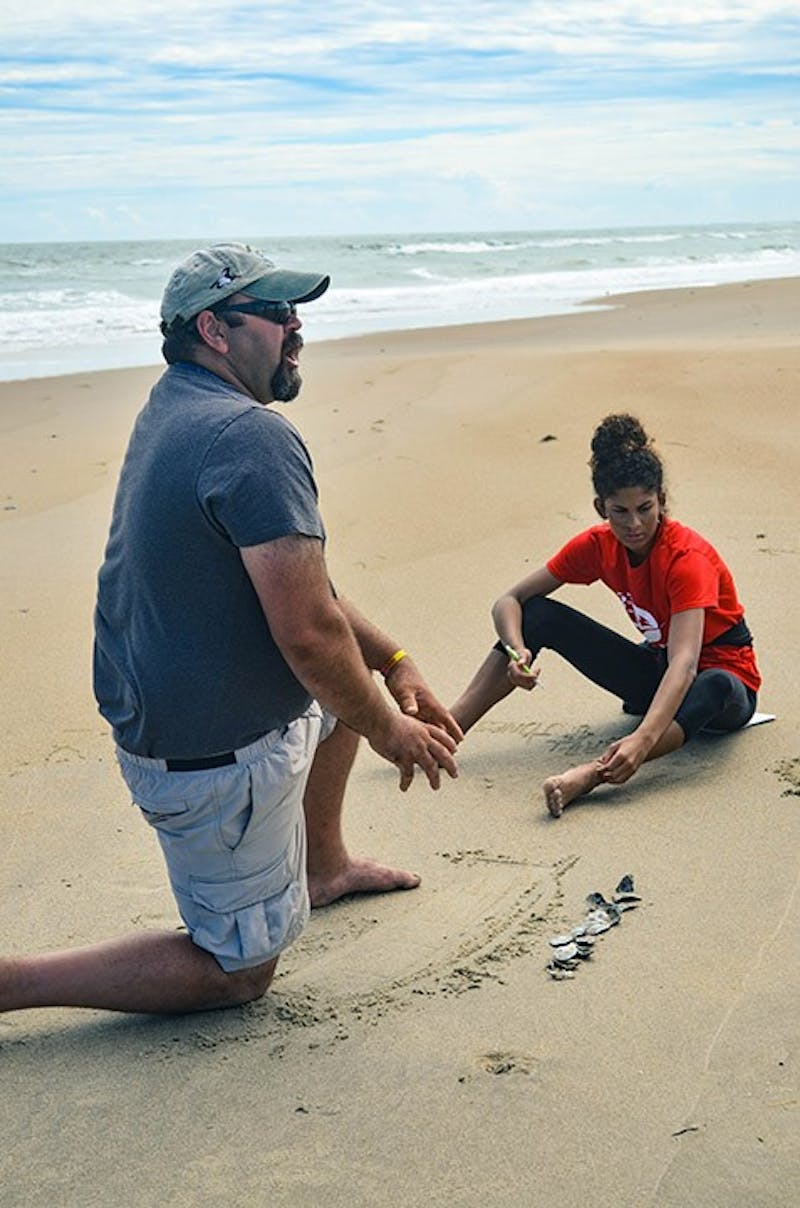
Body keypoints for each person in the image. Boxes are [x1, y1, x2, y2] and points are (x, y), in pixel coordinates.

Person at [0, 243, 461, 1017]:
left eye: (296, 312)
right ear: (214, 330)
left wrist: (394, 663)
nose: (296, 329)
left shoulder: (177, 403)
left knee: (340, 689)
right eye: (277, 314)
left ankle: (324, 865)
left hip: (170, 711)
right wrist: (390, 728)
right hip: (208, 759)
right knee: (238, 973)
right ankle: (15, 984)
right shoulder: (251, 437)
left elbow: (307, 598)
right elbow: (309, 633)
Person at [451, 413, 761, 817]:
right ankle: (447, 729)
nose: (634, 524)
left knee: (713, 682)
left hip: (722, 692)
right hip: (658, 672)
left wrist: (641, 740)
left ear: (662, 501)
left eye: (645, 508)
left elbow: (685, 664)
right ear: (601, 507)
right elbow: (509, 601)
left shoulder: (687, 559)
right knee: (537, 615)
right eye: (620, 511)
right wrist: (517, 653)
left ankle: (592, 774)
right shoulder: (597, 546)